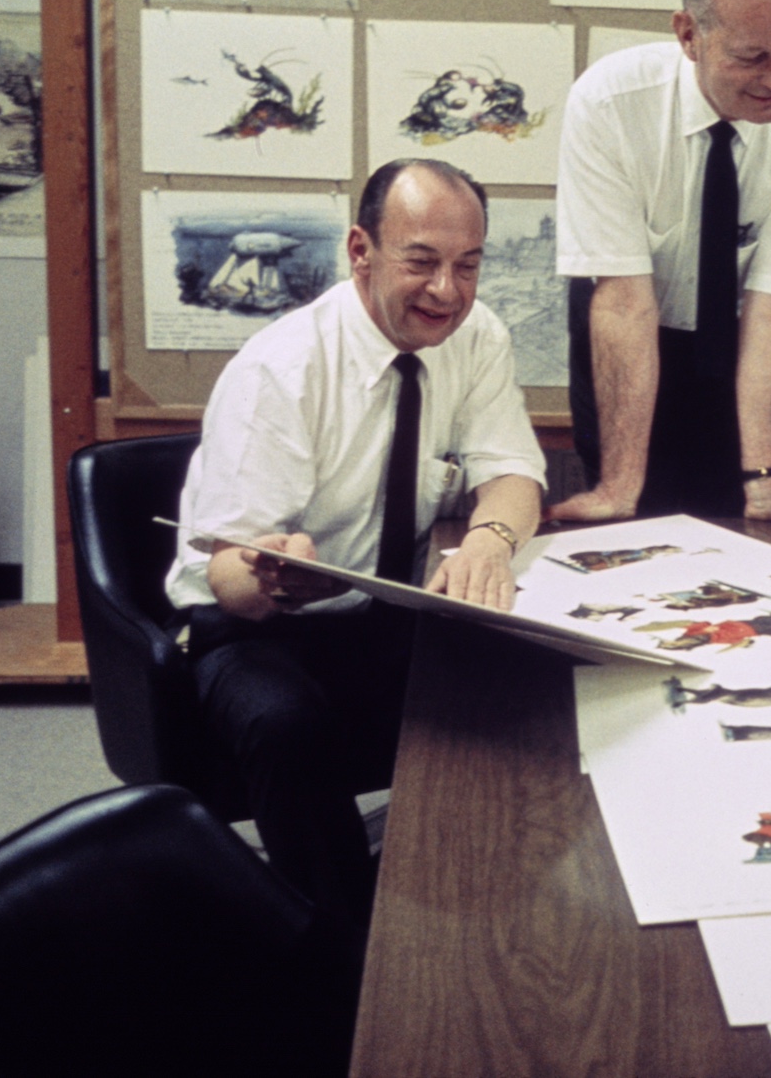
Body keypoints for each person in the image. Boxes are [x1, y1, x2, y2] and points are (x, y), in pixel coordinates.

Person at [166, 158, 546, 938]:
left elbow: (513, 472)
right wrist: (272, 575)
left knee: (525, 674)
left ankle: (475, 908)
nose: (449, 290)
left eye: (468, 265)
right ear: (360, 250)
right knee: (287, 725)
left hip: (379, 607)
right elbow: (226, 575)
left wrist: (487, 541)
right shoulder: (282, 367)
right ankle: (342, 946)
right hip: (253, 628)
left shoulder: (476, 337)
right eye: (422, 262)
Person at [551, 0, 771, 523]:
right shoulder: (609, 104)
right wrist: (618, 489)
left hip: (734, 343)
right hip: (629, 324)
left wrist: (766, 484)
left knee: (736, 527)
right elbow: (622, 304)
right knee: (630, 524)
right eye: (750, 56)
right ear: (689, 35)